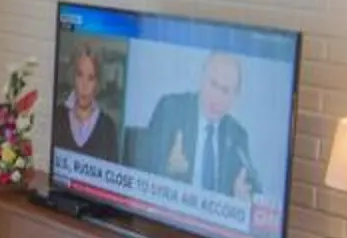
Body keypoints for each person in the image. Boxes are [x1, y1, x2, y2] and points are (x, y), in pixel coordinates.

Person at [133, 51, 256, 201]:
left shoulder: (237, 135)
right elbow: (141, 169)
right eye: (213, 84)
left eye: (225, 90)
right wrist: (168, 169)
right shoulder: (170, 109)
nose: (216, 97)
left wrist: (242, 198)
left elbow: (252, 187)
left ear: (234, 97)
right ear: (202, 79)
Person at [54, 44, 121, 160]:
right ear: (72, 76)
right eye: (80, 75)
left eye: (91, 78)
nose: (84, 86)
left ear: (98, 83)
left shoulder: (108, 128)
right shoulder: (58, 116)